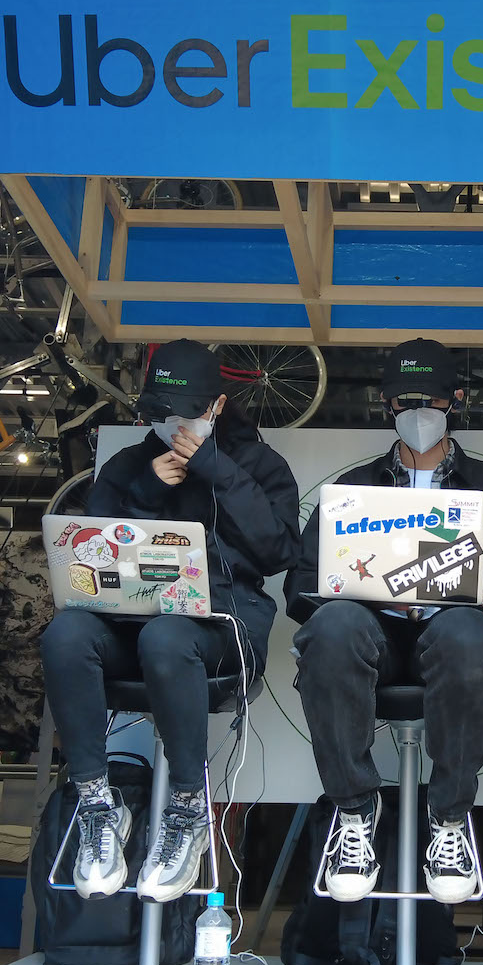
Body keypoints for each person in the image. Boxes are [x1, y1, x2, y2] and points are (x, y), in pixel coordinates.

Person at [40, 340, 300, 902]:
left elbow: (279, 551)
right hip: (127, 624)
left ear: (217, 406)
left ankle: (188, 806)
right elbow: (91, 557)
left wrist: (217, 470)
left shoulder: (260, 464)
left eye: (187, 412)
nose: (174, 424)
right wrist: (146, 493)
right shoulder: (128, 465)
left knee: (167, 635)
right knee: (65, 633)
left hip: (221, 626)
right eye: (161, 412)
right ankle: (96, 802)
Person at [286, 339, 483, 906]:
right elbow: (299, 585)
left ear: (457, 400)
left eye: (431, 400)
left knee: (468, 632)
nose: (418, 412)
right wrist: (347, 590)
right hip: (370, 638)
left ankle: (449, 817)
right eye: (405, 402)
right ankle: (354, 813)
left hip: (452, 640)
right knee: (332, 626)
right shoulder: (351, 492)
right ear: (386, 405)